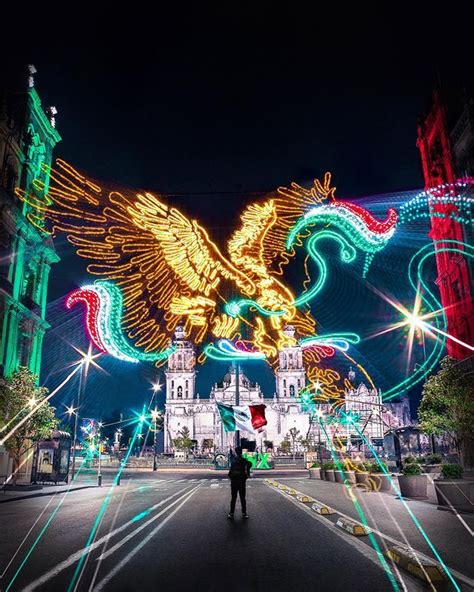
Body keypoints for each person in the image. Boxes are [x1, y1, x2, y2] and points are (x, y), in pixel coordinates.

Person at [227, 446, 252, 519]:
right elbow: (250, 464)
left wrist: (230, 476)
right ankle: (244, 513)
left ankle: (231, 513)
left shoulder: (233, 460)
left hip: (234, 481)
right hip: (241, 480)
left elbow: (231, 470)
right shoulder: (244, 460)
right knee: (242, 498)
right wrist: (247, 472)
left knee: (233, 498)